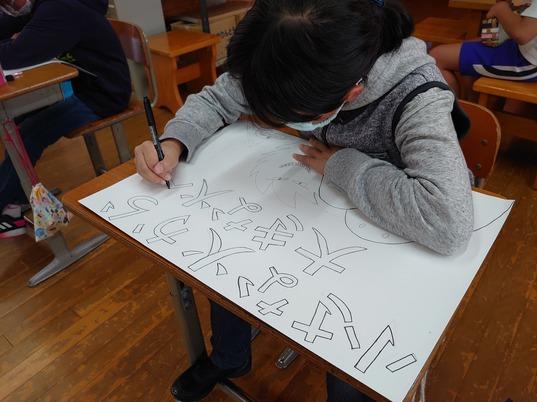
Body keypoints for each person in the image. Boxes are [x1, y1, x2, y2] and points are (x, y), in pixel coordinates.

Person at [134, 0, 474, 400]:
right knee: (227, 261)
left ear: (352, 92)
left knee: (351, 358)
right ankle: (229, 357)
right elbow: (218, 98)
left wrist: (342, 165)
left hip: (386, 232)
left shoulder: (416, 93)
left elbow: (447, 221)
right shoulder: (287, 58)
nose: (288, 121)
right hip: (312, 206)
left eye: (295, 115)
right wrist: (175, 141)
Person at [0, 0, 131, 239]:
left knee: (28, 134)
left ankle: (5, 202)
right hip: (81, 86)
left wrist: (19, 41)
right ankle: (16, 199)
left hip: (103, 94)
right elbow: (15, 35)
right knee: (18, 123)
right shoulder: (43, 6)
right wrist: (18, 39)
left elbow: (14, 55)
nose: (8, 7)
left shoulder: (59, 8)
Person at [430, 0, 537, 97]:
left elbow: (521, 34)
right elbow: (490, 39)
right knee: (464, 47)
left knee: (436, 57)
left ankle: (454, 111)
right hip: (522, 49)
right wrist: (503, 9)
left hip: (529, 62)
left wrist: (501, 9)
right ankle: (469, 105)